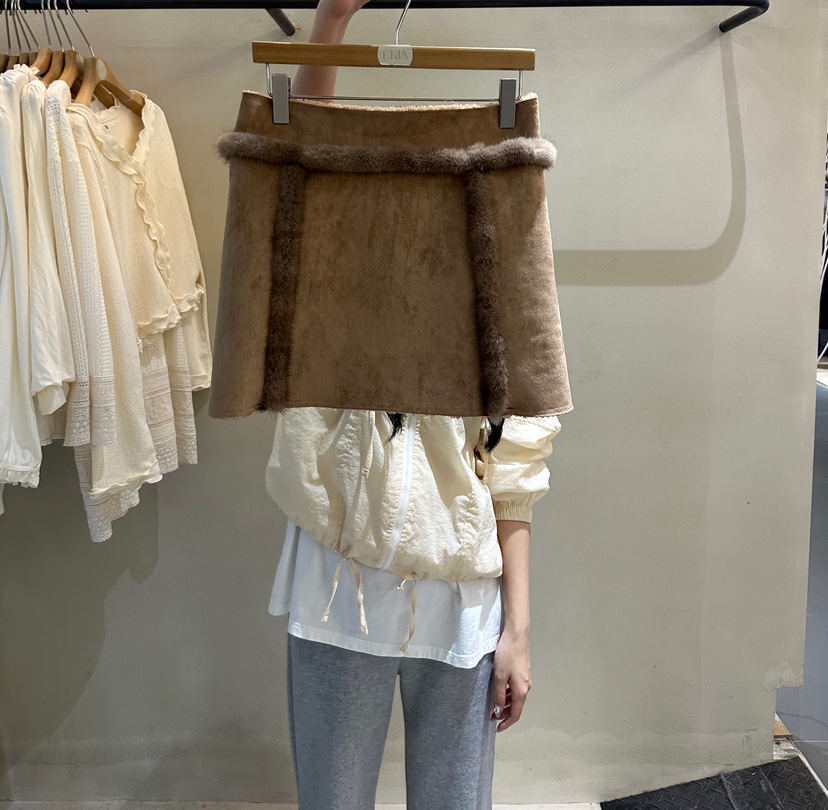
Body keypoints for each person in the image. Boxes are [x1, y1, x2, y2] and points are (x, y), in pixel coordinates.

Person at [265, 2, 564, 807]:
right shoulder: (332, 294)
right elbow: (306, 157)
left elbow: (515, 480)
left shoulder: (497, 305)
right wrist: (331, 24)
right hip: (337, 590)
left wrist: (518, 633)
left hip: (461, 604)